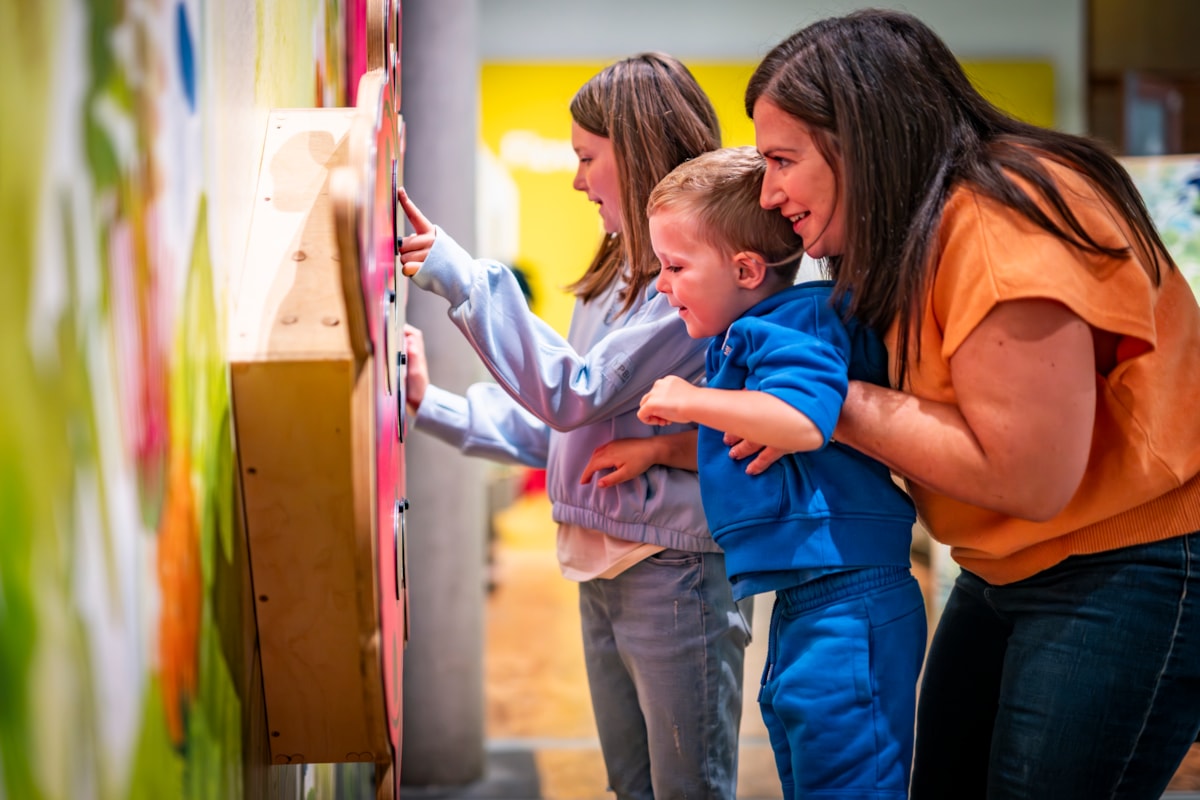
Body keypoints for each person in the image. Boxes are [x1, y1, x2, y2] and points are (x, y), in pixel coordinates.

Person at [744, 9, 1200, 799]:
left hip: (1134, 564)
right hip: (1006, 567)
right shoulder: (907, 239)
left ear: (861, 135)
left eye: (783, 159)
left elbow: (1027, 475)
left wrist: (826, 403)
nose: (769, 190)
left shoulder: (997, 216)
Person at [397, 53, 751, 800]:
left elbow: (572, 393)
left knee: (687, 788)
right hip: (607, 569)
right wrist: (435, 406)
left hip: (673, 572)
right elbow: (568, 435)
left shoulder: (684, 287)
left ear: (641, 150)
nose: (576, 179)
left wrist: (467, 276)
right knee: (634, 785)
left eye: (588, 158)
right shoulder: (616, 278)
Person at [583, 146, 927, 799]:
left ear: (744, 269)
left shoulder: (794, 321)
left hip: (849, 593)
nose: (661, 285)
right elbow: (748, 440)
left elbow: (801, 421)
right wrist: (661, 450)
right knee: (808, 758)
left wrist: (687, 400)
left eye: (675, 267)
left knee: (848, 776)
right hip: (810, 594)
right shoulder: (749, 337)